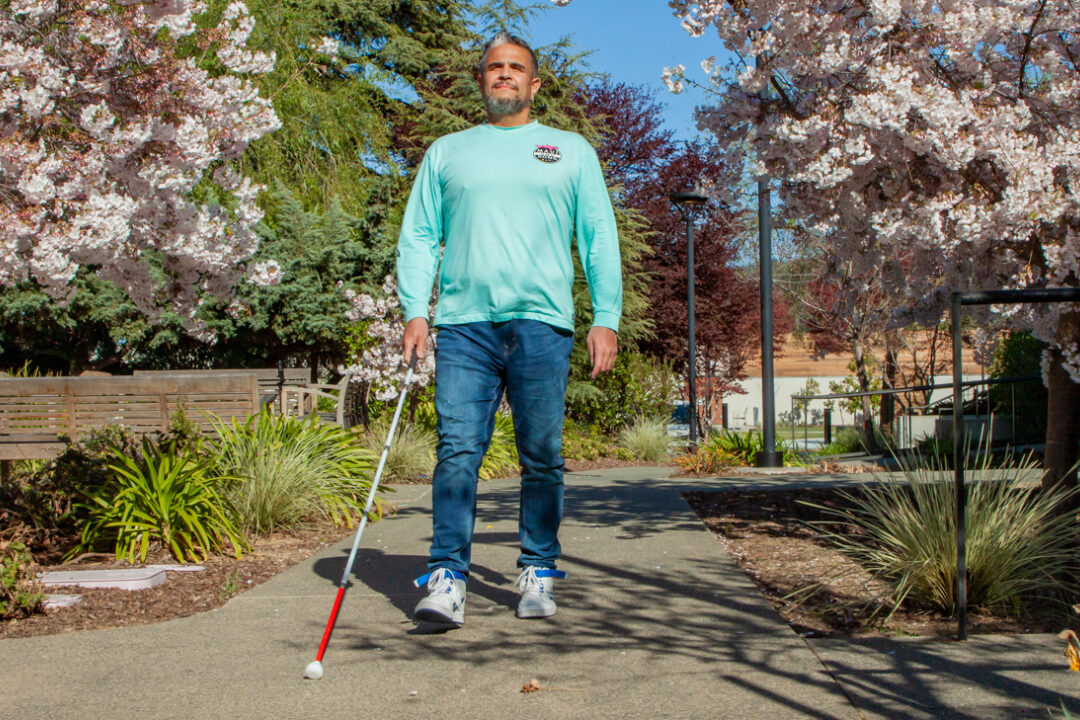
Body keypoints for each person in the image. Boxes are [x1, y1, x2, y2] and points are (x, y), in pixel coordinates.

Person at [396, 31, 622, 626]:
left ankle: (538, 570)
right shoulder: (447, 152)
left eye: (515, 68)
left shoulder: (569, 150)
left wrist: (606, 317)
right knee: (457, 451)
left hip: (543, 323)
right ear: (481, 80)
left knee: (542, 455)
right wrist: (416, 310)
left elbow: (598, 236)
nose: (504, 76)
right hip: (465, 323)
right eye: (494, 68)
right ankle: (447, 577)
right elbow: (419, 235)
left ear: (534, 83)